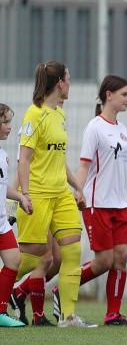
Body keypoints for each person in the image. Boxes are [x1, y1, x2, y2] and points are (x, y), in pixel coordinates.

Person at [14, 61, 93, 327]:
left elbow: (58, 160)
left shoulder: (59, 114)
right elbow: (23, 159)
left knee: (72, 251)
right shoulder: (33, 114)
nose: (70, 84)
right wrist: (24, 195)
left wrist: (77, 186)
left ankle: (69, 317)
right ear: (60, 82)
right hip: (37, 194)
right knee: (29, 258)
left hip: (61, 194)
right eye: (68, 79)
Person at [70, 75, 127, 325]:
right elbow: (84, 165)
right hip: (97, 204)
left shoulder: (122, 128)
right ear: (109, 95)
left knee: (121, 258)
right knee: (103, 261)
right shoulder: (94, 127)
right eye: (124, 95)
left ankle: (113, 314)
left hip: (121, 205)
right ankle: (63, 291)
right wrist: (78, 191)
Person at [0, 103, 32, 327]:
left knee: (14, 259)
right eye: (5, 122)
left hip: (1, 222)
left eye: (10, 122)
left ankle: (0, 311)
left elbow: (3, 187)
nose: (10, 127)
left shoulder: (3, 154)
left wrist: (19, 197)